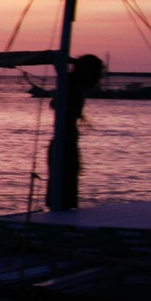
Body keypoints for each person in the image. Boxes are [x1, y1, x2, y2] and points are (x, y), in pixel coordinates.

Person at [47, 53, 106, 211]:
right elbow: (56, 104)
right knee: (63, 192)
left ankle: (60, 215)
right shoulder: (71, 85)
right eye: (98, 73)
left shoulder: (75, 85)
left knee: (66, 190)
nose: (100, 78)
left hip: (66, 142)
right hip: (64, 144)